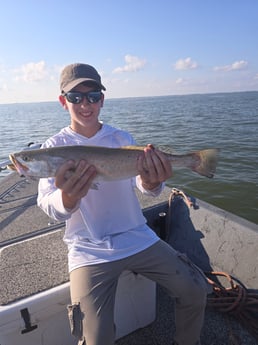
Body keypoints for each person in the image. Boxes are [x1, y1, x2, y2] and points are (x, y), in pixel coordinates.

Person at [37, 63, 211, 345]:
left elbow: (143, 186)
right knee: (96, 338)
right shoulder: (52, 148)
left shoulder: (121, 139)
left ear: (102, 100)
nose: (85, 104)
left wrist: (154, 182)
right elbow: (48, 205)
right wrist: (68, 198)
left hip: (136, 236)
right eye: (75, 97)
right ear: (62, 101)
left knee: (195, 289)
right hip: (88, 249)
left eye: (93, 96)